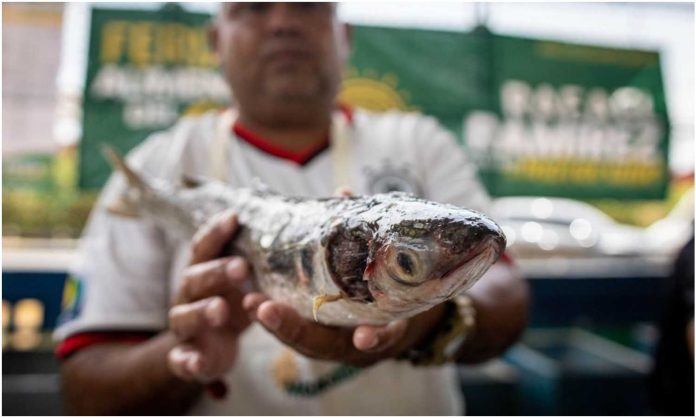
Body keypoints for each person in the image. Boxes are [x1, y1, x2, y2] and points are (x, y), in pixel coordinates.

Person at [55, 3, 529, 415]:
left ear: (344, 36)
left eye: (307, 4)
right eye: (254, 6)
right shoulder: (154, 168)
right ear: (216, 40)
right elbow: (85, 396)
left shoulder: (422, 144)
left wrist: (425, 326)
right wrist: (179, 356)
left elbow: (505, 292)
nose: (282, 22)